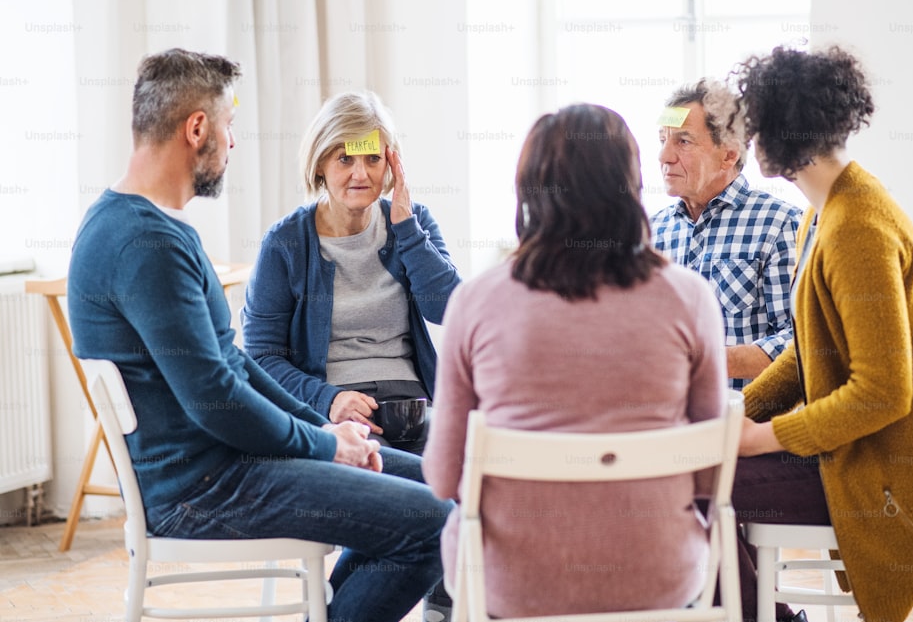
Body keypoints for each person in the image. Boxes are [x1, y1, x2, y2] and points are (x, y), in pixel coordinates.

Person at [67, 48, 452, 622]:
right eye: (229, 127)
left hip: (226, 464)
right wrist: (327, 442)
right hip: (201, 487)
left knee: (443, 491)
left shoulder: (148, 228)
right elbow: (216, 398)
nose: (232, 143)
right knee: (433, 524)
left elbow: (233, 367)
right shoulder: (145, 246)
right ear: (197, 129)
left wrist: (323, 431)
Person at [423, 103, 728, 618]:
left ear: (529, 189)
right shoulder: (689, 297)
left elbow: (443, 477)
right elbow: (709, 476)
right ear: (629, 187)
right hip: (655, 576)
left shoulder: (476, 302)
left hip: (511, 583)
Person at [731, 45, 913, 622]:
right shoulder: (827, 211)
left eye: (755, 129)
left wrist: (762, 438)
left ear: (781, 136)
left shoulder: (855, 228)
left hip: (881, 473)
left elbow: (882, 393)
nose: (750, 144)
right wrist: (745, 411)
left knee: (695, 484)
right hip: (866, 453)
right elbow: (810, 347)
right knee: (705, 470)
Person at [242, 90, 460, 454]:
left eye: (373, 158)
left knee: (468, 464)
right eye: (345, 159)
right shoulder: (285, 242)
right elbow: (261, 358)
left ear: (391, 165)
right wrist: (328, 399)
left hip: (412, 404)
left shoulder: (414, 222)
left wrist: (406, 228)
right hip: (335, 408)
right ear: (320, 165)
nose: (361, 173)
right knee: (400, 477)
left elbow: (449, 309)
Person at [649, 79, 801, 389]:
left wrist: (705, 361)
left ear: (729, 154)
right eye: (662, 139)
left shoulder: (780, 224)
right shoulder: (651, 233)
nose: (664, 156)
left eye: (683, 141)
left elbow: (801, 344)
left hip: (747, 422)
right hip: (664, 419)